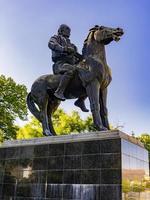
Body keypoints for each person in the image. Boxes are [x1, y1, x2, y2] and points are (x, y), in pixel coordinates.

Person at [48, 24, 88, 112]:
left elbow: (78, 58)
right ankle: (59, 91)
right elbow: (51, 44)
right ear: (61, 31)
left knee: (88, 75)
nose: (68, 32)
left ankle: (80, 100)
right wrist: (64, 49)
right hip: (60, 64)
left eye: (69, 31)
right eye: (66, 30)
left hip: (72, 64)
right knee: (71, 70)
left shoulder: (72, 45)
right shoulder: (56, 38)